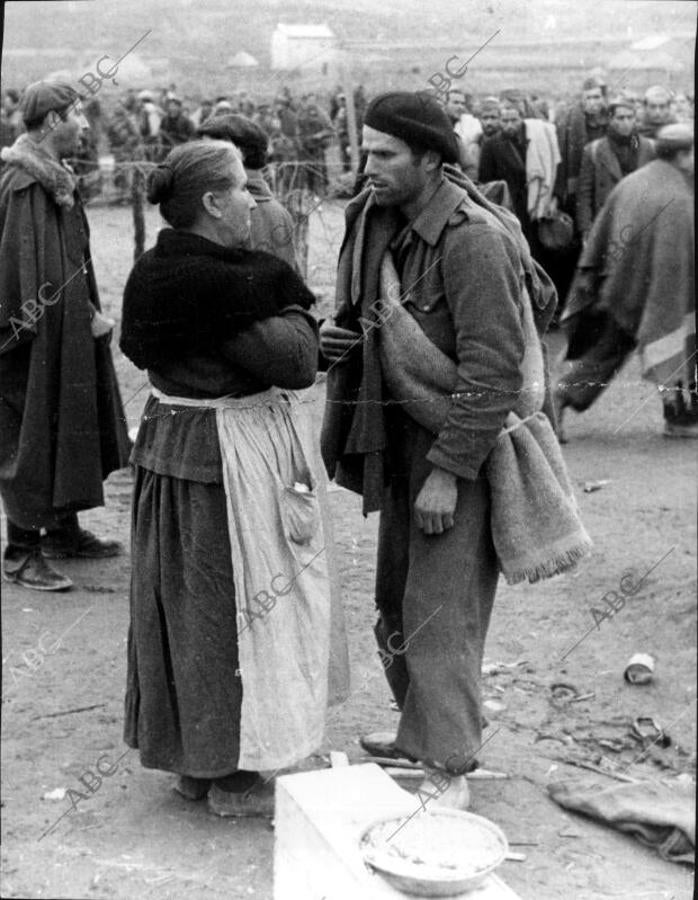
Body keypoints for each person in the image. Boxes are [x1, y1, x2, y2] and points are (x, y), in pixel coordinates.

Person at [320, 91, 557, 809]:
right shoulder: (382, 222)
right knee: (396, 601)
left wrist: (449, 474)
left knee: (440, 612)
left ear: (430, 158)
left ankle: (451, 764)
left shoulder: (471, 239)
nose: (368, 168)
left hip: (459, 445)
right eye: (364, 151)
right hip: (400, 441)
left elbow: (495, 369)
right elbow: (376, 320)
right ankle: (421, 729)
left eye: (384, 155)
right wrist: (340, 342)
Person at [120, 139, 347, 816]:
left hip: (180, 450)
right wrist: (294, 319)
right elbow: (296, 357)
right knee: (230, 611)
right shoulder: (213, 284)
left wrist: (281, 324)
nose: (253, 198)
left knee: (185, 608)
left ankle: (195, 760)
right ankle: (232, 774)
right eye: (244, 187)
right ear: (214, 202)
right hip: (223, 460)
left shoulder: (165, 275)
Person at [0, 81, 130, 591]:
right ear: (53, 121)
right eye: (77, 115)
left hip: (65, 325)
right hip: (32, 334)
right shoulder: (23, 183)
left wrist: (86, 310)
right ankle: (22, 551)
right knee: (28, 431)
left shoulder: (54, 177)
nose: (86, 125)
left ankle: (61, 530)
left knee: (67, 420)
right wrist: (24, 328)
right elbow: (15, 267)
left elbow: (68, 255)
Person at [556, 124, 695, 439]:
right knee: (674, 342)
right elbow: (673, 262)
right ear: (683, 154)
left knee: (611, 350)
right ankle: (680, 415)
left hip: (619, 284)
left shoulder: (638, 181)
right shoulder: (676, 196)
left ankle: (680, 414)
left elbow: (603, 230)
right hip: (651, 291)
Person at [197, 112, 298, 270]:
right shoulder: (279, 212)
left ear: (237, 154)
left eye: (209, 152)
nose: (200, 161)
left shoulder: (224, 209)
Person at [478, 98, 562, 254]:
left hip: (538, 206)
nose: (509, 125)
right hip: (509, 209)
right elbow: (486, 182)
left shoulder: (535, 139)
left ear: (522, 118)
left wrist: (554, 198)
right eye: (505, 121)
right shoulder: (491, 146)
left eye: (514, 120)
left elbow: (554, 167)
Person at [576, 96, 655, 243]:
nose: (626, 123)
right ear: (610, 119)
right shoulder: (594, 150)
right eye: (620, 118)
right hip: (608, 224)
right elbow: (584, 193)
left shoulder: (649, 148)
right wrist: (586, 229)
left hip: (642, 223)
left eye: (630, 117)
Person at [556, 75, 608, 221]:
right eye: (588, 98)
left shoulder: (610, 121)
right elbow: (562, 157)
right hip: (579, 183)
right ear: (582, 99)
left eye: (597, 97)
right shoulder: (570, 121)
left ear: (603, 99)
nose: (593, 102)